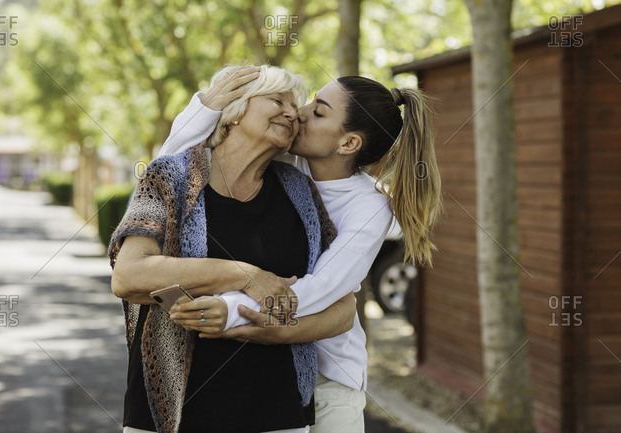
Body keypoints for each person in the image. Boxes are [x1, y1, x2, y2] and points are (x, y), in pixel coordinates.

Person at [158, 68, 442, 433]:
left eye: (319, 112)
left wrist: (230, 309)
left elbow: (321, 288)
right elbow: (168, 177)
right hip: (268, 368)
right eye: (308, 102)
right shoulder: (283, 164)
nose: (299, 112)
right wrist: (206, 107)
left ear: (348, 144)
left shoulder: (368, 205)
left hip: (328, 376)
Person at [108, 65, 358, 433]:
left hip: (277, 414)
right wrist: (242, 276)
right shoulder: (168, 176)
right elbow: (129, 276)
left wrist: (265, 329)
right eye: (278, 100)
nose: (292, 113)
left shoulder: (300, 193)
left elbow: (344, 310)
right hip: (172, 415)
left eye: (297, 105)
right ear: (236, 110)